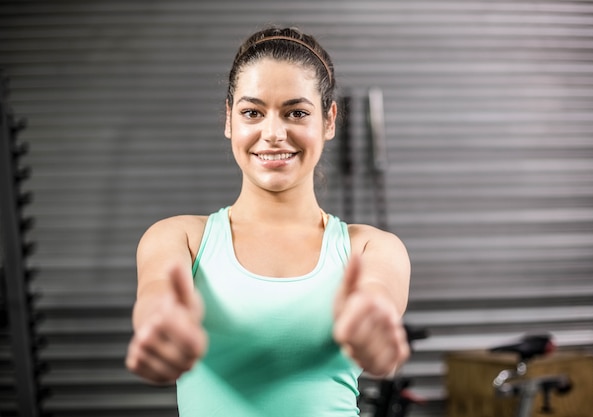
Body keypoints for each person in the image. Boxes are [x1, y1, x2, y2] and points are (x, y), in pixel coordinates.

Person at [125, 25, 411, 417]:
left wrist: (373, 321)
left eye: (296, 112)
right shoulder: (180, 238)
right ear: (229, 120)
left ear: (329, 120)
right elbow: (157, 295)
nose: (273, 133)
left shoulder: (370, 248)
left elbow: (380, 295)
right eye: (252, 112)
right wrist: (160, 321)